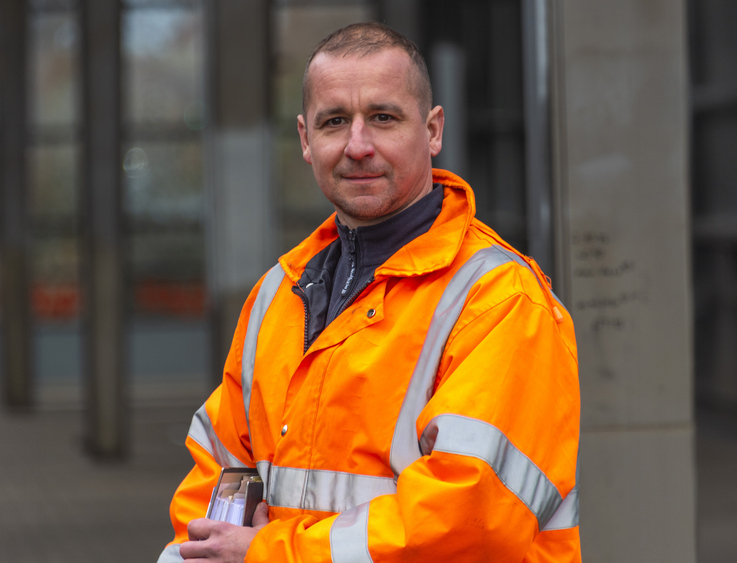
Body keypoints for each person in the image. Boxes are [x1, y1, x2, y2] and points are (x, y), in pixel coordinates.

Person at [158, 22, 579, 563]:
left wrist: (270, 554)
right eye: (335, 122)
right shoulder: (276, 298)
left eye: (383, 117)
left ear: (432, 131)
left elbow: (470, 521)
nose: (358, 146)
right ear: (307, 140)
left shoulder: (499, 300)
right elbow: (215, 482)